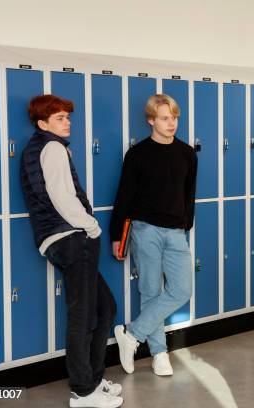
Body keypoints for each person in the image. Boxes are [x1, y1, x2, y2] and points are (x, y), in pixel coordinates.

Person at [20, 95, 122, 408]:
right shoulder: (52, 148)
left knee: (104, 308)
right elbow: (61, 197)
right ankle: (82, 391)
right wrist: (91, 226)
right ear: (42, 124)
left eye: (68, 117)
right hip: (71, 238)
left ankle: (92, 379)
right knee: (83, 316)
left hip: (61, 239)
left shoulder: (41, 148)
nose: (68, 122)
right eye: (60, 118)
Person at [110, 94, 197, 376]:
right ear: (151, 120)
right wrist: (116, 235)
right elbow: (124, 196)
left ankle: (132, 334)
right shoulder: (137, 155)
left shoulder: (187, 153)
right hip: (144, 229)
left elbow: (189, 195)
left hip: (175, 232)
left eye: (174, 118)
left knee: (181, 289)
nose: (171, 123)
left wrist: (186, 225)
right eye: (164, 118)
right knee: (150, 291)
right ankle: (160, 354)